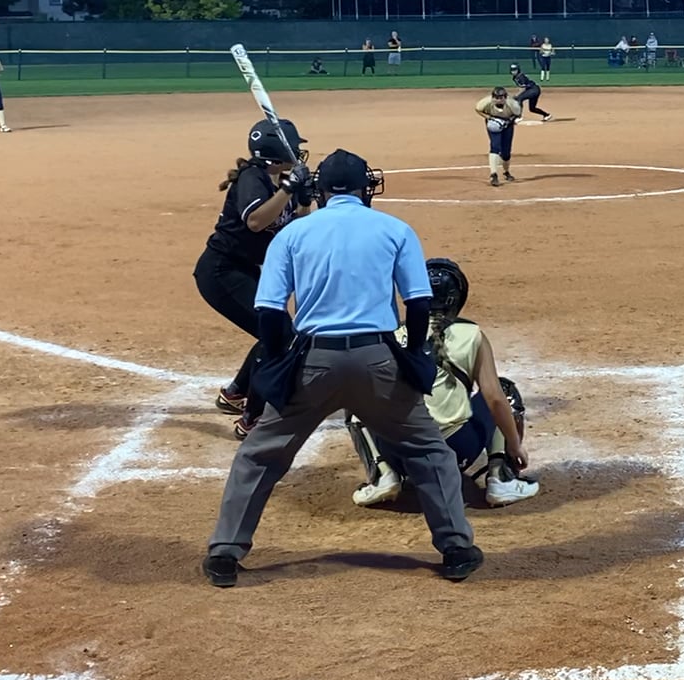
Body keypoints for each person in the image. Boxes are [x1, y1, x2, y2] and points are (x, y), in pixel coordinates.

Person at [202, 150, 483, 587]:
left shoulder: (293, 234)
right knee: (429, 452)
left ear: (321, 190)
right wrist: (413, 356)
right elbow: (418, 303)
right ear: (363, 188)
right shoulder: (394, 229)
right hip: (378, 363)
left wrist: (276, 363)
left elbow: (270, 311)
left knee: (259, 455)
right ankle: (456, 548)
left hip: (313, 363)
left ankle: (225, 552)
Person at [349, 258, 539, 509]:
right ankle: (501, 478)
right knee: (504, 391)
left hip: (400, 455)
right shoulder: (472, 335)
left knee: (356, 398)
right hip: (456, 451)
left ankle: (383, 475)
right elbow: (494, 399)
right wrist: (514, 445)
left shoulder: (393, 336)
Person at [199, 120, 314, 437]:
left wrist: (303, 200)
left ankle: (236, 393)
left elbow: (295, 231)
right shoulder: (253, 178)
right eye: (293, 147)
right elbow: (255, 221)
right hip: (221, 271)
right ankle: (252, 419)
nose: (298, 152)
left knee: (276, 332)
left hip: (244, 269)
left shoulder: (278, 181)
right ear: (275, 152)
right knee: (279, 334)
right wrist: (289, 189)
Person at [475, 85, 523, 187]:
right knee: (495, 147)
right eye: (496, 98)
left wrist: (508, 121)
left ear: (505, 97)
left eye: (501, 98)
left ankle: (506, 172)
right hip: (493, 124)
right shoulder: (485, 102)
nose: (498, 100)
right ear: (492, 97)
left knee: (506, 153)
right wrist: (489, 117)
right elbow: (478, 109)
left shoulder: (513, 105)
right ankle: (493, 175)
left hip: (507, 124)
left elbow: (517, 114)